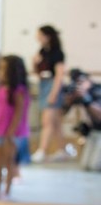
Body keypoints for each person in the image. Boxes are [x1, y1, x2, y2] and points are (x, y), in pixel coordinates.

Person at [0, 55, 30, 200]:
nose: (1, 71)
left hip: (11, 132)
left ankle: (7, 190)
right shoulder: (0, 87)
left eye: (4, 68)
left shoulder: (19, 90)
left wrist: (11, 132)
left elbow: (19, 113)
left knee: (9, 160)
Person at [31, 25, 71, 162]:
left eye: (40, 35)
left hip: (53, 86)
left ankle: (42, 150)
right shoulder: (42, 51)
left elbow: (59, 75)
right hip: (43, 84)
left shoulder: (57, 53)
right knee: (56, 123)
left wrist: (54, 94)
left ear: (47, 36)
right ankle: (62, 150)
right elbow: (38, 72)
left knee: (47, 121)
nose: (38, 38)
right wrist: (34, 62)